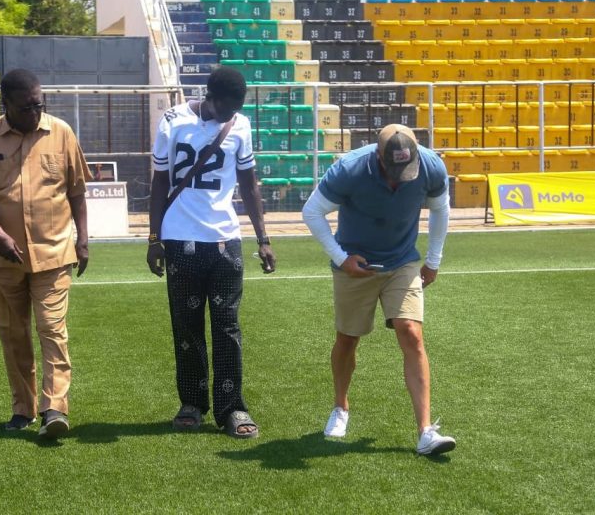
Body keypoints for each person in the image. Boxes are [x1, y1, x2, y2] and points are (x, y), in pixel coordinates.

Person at [301, 123, 456, 455]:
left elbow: (440, 210)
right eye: (395, 169)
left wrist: (433, 260)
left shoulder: (431, 166)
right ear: (379, 157)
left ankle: (425, 431)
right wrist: (342, 259)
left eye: (407, 168)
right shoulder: (349, 169)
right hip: (357, 266)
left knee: (411, 331)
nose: (402, 175)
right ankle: (341, 406)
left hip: (403, 261)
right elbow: (312, 212)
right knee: (347, 339)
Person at [0, 68, 91, 438]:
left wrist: (83, 239)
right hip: (1, 256)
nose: (37, 111)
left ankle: (54, 409)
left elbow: (77, 190)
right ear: (8, 105)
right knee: (13, 334)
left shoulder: (61, 131)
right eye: (28, 106)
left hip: (55, 250)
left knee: (52, 331)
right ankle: (23, 408)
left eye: (40, 104)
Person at [147, 66, 275, 439]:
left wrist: (262, 238)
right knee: (186, 328)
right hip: (180, 239)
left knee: (228, 327)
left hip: (225, 242)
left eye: (238, 105)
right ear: (209, 96)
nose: (232, 112)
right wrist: (154, 238)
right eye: (227, 105)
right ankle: (191, 403)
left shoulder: (241, 126)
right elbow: (159, 181)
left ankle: (232, 406)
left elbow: (249, 183)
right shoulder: (172, 121)